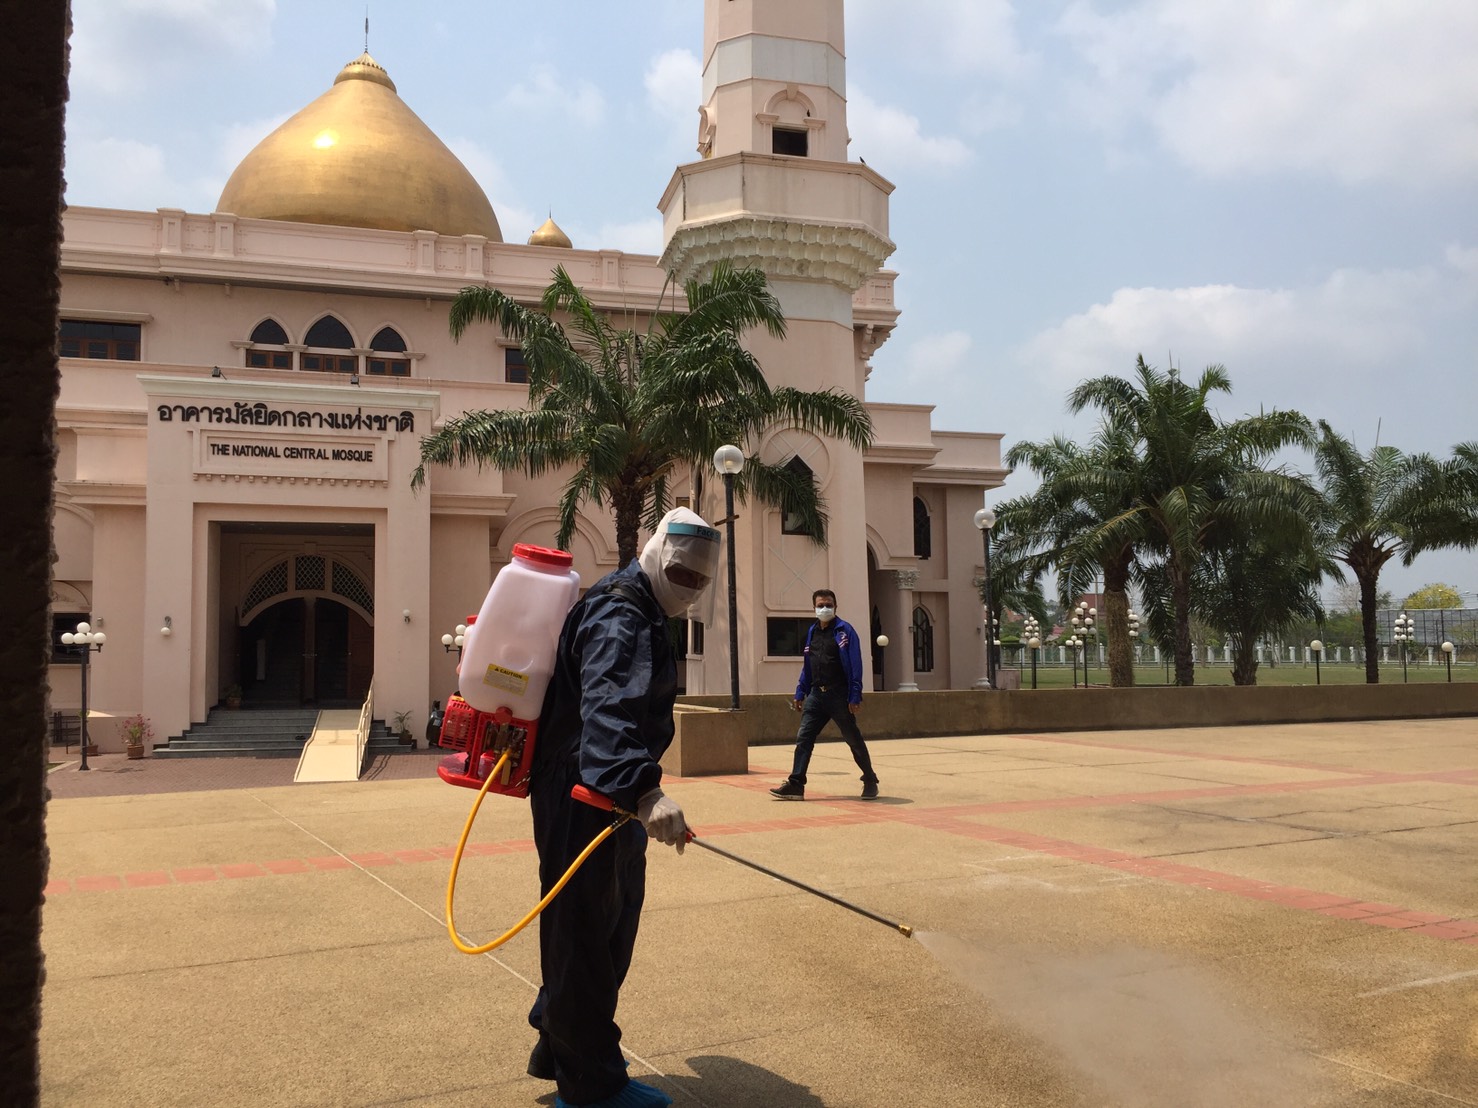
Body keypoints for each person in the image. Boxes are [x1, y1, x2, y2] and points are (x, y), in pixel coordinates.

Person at [525, 507, 721, 1108]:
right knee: (586, 931)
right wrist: (644, 790)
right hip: (586, 789)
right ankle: (591, 1089)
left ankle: (560, 1044)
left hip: (604, 791)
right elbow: (608, 706)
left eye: (700, 583)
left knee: (605, 925)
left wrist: (636, 795)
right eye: (681, 575)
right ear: (658, 554)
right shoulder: (620, 612)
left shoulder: (643, 608)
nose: (688, 590)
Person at [770, 588, 880, 802]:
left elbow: (855, 664)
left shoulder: (844, 631)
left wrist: (855, 694)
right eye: (820, 605)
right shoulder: (813, 632)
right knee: (804, 739)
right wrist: (801, 690)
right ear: (814, 608)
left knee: (853, 739)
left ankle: (870, 780)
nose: (824, 608)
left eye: (828, 604)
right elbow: (808, 665)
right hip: (816, 696)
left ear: (835, 606)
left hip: (839, 694)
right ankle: (796, 785)